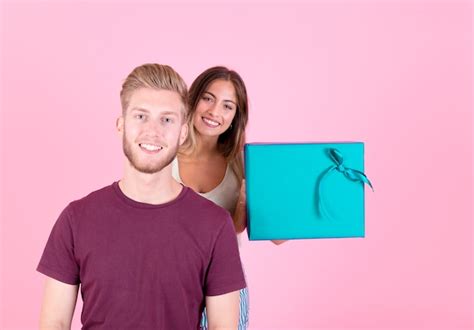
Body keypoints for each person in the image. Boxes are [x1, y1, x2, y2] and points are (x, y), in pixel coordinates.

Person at [37, 63, 246, 329]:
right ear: (121, 125)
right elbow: (53, 323)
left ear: (182, 132)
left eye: (167, 119)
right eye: (140, 116)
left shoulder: (215, 225)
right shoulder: (76, 219)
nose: (153, 131)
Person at [173, 66, 285, 330]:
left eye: (228, 106)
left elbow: (277, 236)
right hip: (170, 280)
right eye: (208, 98)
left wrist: (262, 200)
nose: (214, 112)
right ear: (193, 99)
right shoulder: (166, 154)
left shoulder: (242, 165)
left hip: (224, 281)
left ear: (236, 116)